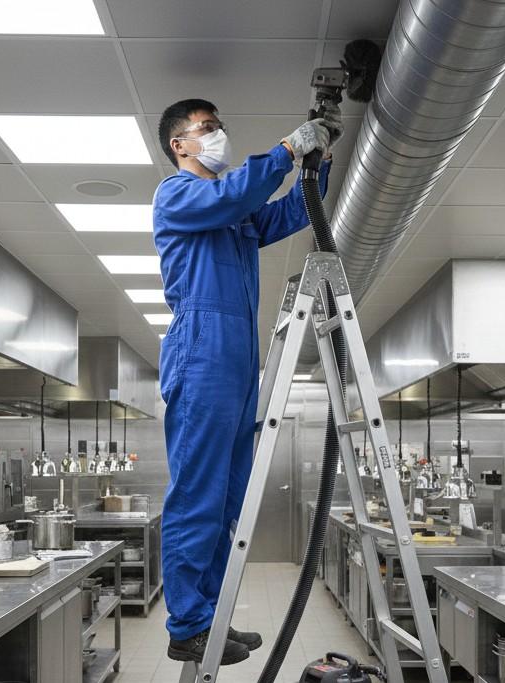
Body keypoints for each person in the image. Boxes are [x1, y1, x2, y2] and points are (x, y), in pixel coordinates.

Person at [153, 99, 341, 665]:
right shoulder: (179, 195)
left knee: (228, 497)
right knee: (198, 496)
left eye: (219, 127)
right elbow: (235, 193)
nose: (217, 136)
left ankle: (208, 620)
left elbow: (285, 215)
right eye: (205, 130)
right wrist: (286, 150)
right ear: (179, 146)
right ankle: (186, 623)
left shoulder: (232, 214)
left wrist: (319, 163)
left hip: (237, 359)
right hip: (202, 351)